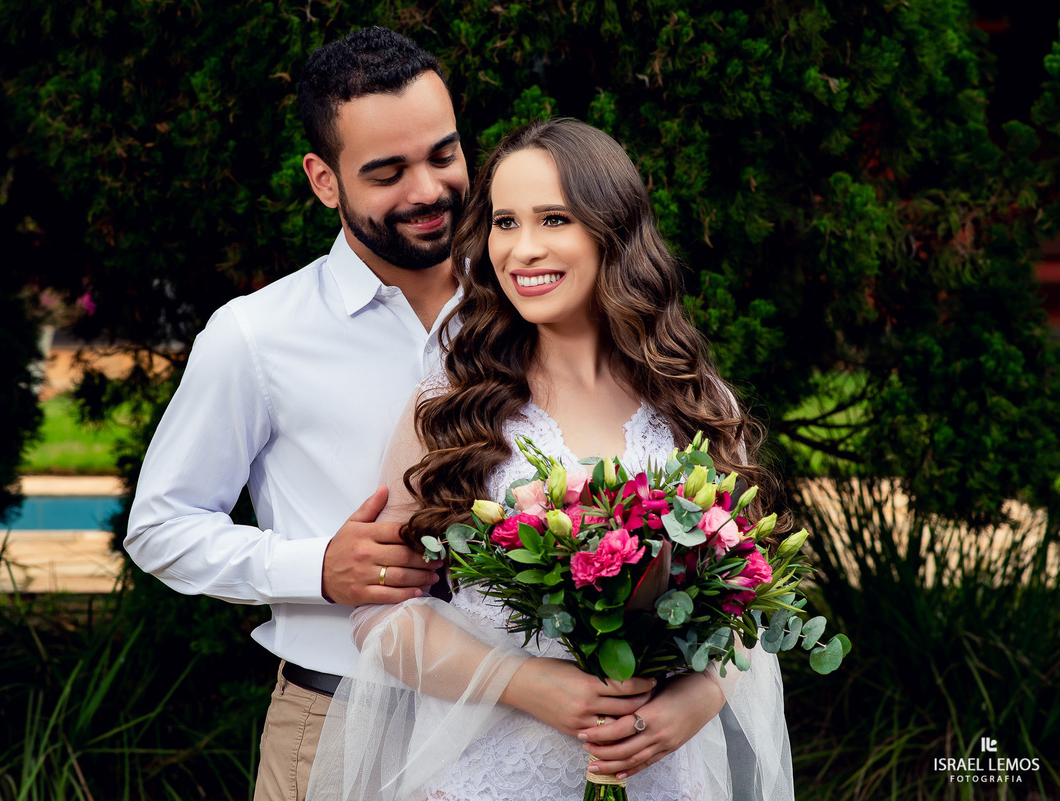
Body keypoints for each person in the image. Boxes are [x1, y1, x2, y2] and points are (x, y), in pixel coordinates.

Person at [124, 30, 659, 801]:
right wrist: (315, 568)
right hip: (338, 722)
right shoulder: (256, 336)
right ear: (324, 179)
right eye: (387, 172)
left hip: (534, 736)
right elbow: (160, 527)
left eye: (442, 155)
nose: (428, 189)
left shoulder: (531, 293)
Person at [305, 119, 793, 801]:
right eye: (505, 222)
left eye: (554, 218)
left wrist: (703, 695)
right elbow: (381, 617)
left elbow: (743, 596)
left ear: (612, 231)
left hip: (662, 775)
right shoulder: (453, 407)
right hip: (491, 772)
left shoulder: (693, 400)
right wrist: (527, 683)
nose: (522, 249)